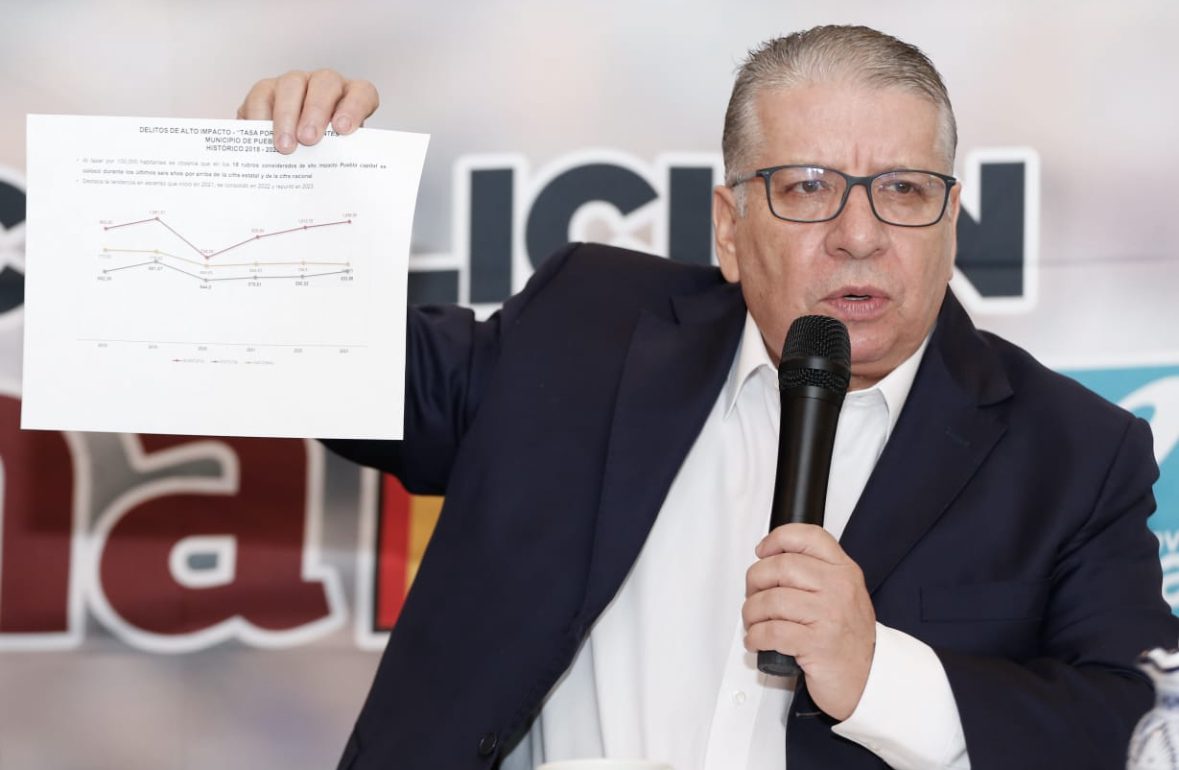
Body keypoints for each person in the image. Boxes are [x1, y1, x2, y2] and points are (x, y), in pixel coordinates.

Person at [239, 25, 1177, 770]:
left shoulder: (1072, 452)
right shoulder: (585, 328)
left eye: (901, 189)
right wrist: (284, 192)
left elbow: (1135, 723)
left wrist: (879, 675)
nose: (859, 234)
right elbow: (341, 369)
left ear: (949, 219)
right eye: (806, 187)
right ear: (729, 227)